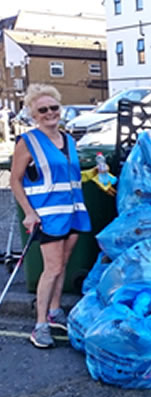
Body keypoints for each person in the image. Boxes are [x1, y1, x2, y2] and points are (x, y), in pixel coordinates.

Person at [9, 84, 92, 349]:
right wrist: (29, 212)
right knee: (52, 268)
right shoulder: (28, 142)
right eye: (42, 110)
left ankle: (55, 311)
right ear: (34, 115)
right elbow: (15, 180)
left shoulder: (68, 139)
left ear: (60, 108)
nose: (49, 113)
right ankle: (40, 325)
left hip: (73, 212)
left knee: (63, 265)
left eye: (53, 108)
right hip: (47, 216)